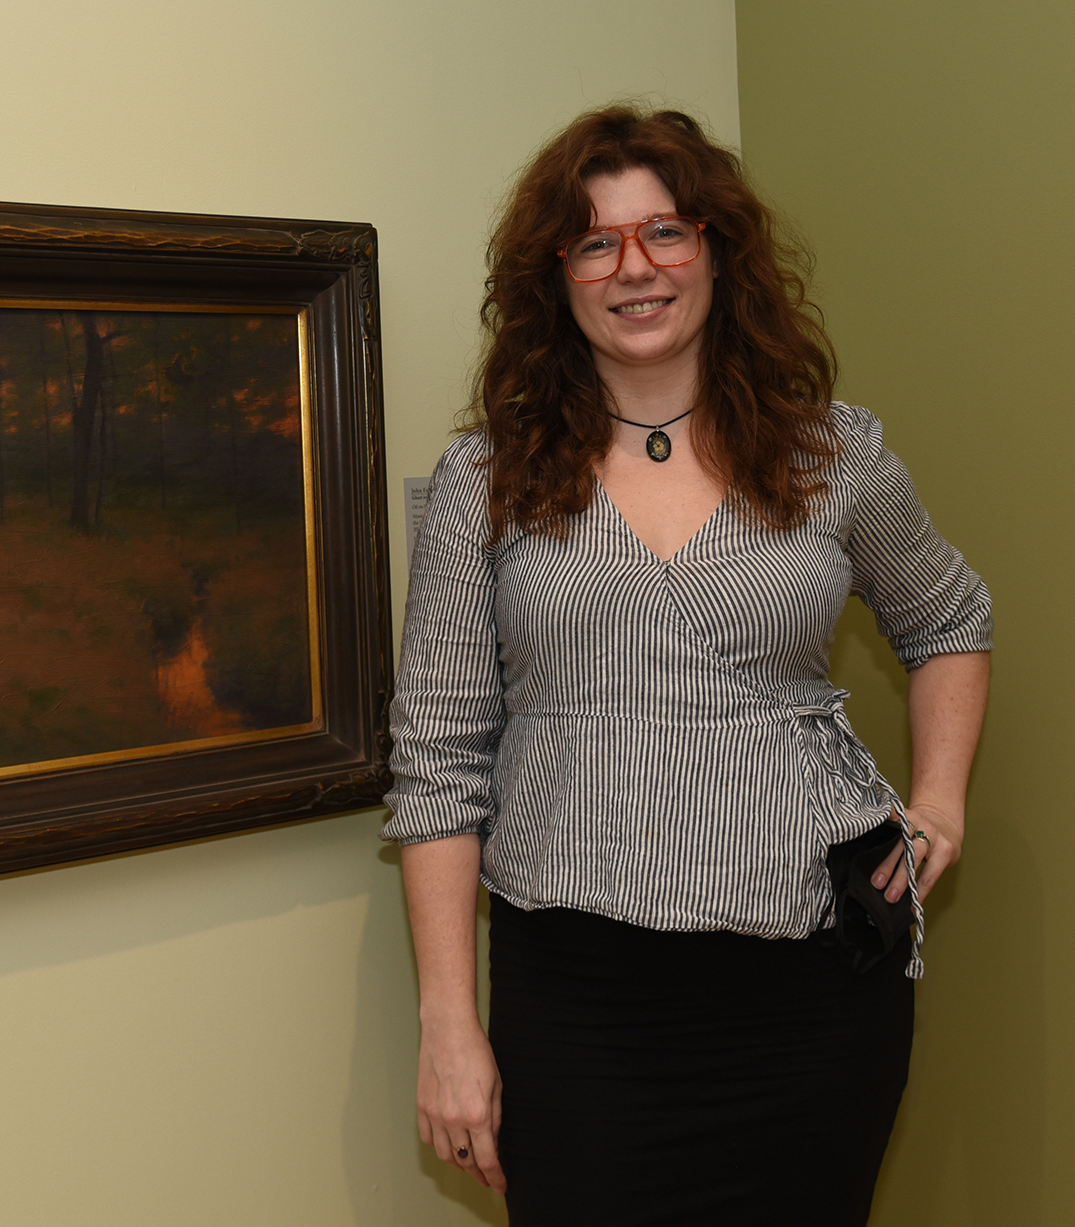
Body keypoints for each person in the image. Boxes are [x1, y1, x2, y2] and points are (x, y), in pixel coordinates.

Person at [382, 105, 992, 1227]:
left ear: (716, 249)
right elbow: (436, 764)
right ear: (554, 277)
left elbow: (948, 616)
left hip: (814, 985)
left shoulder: (831, 454)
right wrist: (445, 1024)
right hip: (578, 996)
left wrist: (938, 802)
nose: (634, 268)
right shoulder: (487, 478)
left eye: (665, 232)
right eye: (593, 241)